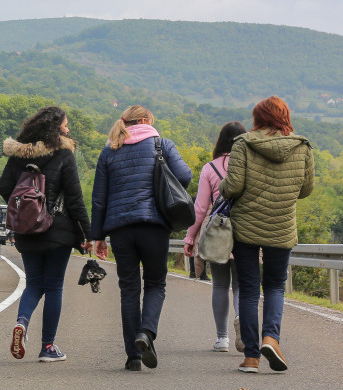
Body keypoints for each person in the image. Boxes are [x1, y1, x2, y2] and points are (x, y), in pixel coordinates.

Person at [91, 105, 192, 371]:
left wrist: (98, 236)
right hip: (154, 226)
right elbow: (184, 176)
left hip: (121, 229)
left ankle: (133, 357)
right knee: (156, 283)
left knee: (129, 290)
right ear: (146, 120)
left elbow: (99, 198)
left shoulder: (109, 150)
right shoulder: (162, 145)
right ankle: (146, 333)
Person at [219, 97, 313, 373]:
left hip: (246, 227)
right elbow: (306, 189)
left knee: (248, 290)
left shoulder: (243, 144)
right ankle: (271, 338)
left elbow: (233, 186)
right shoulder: (302, 146)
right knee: (275, 287)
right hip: (282, 227)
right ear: (284, 116)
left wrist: (223, 189)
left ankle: (251, 357)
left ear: (258, 118)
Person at [0, 107, 92, 362]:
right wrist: (87, 233)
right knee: (53, 287)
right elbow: (74, 198)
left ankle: (22, 322)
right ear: (56, 128)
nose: (68, 129)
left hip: (27, 231)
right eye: (65, 125)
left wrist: (28, 210)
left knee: (33, 284)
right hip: (57, 230)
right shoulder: (63, 154)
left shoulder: (18, 155)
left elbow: (4, 186)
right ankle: (47, 347)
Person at [183, 121, 247, 353]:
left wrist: (190, 238)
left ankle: (222, 339)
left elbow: (200, 208)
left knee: (220, 285)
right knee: (241, 285)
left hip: (218, 231)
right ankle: (243, 321)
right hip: (246, 230)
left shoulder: (210, 168)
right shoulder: (251, 164)